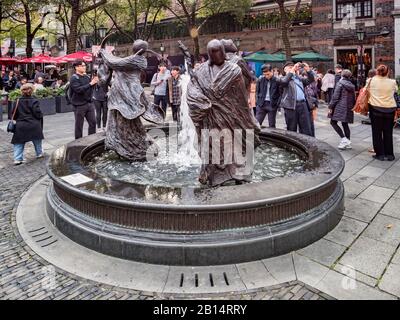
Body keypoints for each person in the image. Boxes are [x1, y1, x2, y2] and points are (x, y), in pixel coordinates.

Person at [185, 39, 261, 187]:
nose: (216, 56)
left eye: (218, 52)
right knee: (213, 147)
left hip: (231, 116)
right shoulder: (201, 71)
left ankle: (239, 174)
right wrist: (199, 101)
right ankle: (215, 175)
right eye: (213, 53)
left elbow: (228, 93)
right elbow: (192, 88)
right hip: (211, 118)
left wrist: (208, 96)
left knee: (234, 146)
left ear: (224, 53)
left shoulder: (233, 69)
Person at [98, 39, 164, 161]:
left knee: (126, 121)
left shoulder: (136, 60)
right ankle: (124, 145)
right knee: (121, 121)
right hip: (121, 96)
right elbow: (116, 64)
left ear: (137, 48)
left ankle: (133, 148)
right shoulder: (131, 59)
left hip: (128, 97)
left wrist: (103, 51)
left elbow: (113, 62)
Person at [368, 65, 399, 161]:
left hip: (375, 108)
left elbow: (366, 91)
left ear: (377, 71)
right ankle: (390, 154)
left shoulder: (371, 80)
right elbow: (396, 91)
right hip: (389, 109)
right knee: (388, 132)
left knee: (376, 133)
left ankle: (380, 154)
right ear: (388, 72)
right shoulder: (393, 82)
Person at [276, 62, 315, 136]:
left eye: (293, 67)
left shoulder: (299, 78)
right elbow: (284, 82)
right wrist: (292, 71)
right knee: (291, 129)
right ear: (285, 70)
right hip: (290, 106)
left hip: (303, 105)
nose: (293, 69)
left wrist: (308, 70)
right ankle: (293, 146)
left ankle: (306, 145)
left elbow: (310, 80)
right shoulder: (281, 78)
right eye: (290, 67)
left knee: (306, 128)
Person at [10, 83, 44, 165]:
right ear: (32, 91)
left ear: (22, 91)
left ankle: (17, 159)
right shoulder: (34, 100)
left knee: (18, 142)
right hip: (33, 124)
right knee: (37, 140)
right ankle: (39, 153)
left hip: (21, 125)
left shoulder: (17, 101)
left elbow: (13, 114)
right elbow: (37, 113)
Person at [69, 60, 98, 140]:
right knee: (79, 125)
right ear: (77, 67)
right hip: (79, 105)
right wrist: (90, 84)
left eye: (85, 65)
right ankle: (78, 141)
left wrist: (95, 82)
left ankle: (91, 139)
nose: (84, 67)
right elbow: (78, 90)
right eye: (82, 65)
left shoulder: (87, 77)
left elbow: (90, 88)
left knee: (93, 122)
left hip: (89, 103)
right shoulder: (74, 78)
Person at [328, 69, 356, 150]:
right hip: (348, 107)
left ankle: (344, 139)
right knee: (345, 124)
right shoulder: (351, 85)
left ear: (342, 75)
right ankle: (348, 142)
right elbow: (353, 98)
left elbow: (335, 97)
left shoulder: (340, 83)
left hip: (339, 106)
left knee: (333, 122)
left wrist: (330, 107)